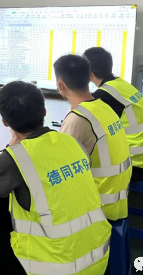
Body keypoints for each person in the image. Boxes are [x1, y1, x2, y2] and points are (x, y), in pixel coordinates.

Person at [0, 81, 111, 275]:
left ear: (4, 121)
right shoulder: (71, 142)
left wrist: (6, 151)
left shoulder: (15, 157)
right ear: (44, 112)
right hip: (98, 256)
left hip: (56, 271)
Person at [54, 54, 132, 222]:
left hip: (98, 208)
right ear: (89, 77)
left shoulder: (76, 120)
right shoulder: (104, 107)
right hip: (118, 200)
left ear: (60, 86)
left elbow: (59, 168)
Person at [84, 47, 143, 181]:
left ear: (89, 74)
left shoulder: (105, 95)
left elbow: (88, 128)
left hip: (133, 166)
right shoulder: (121, 85)